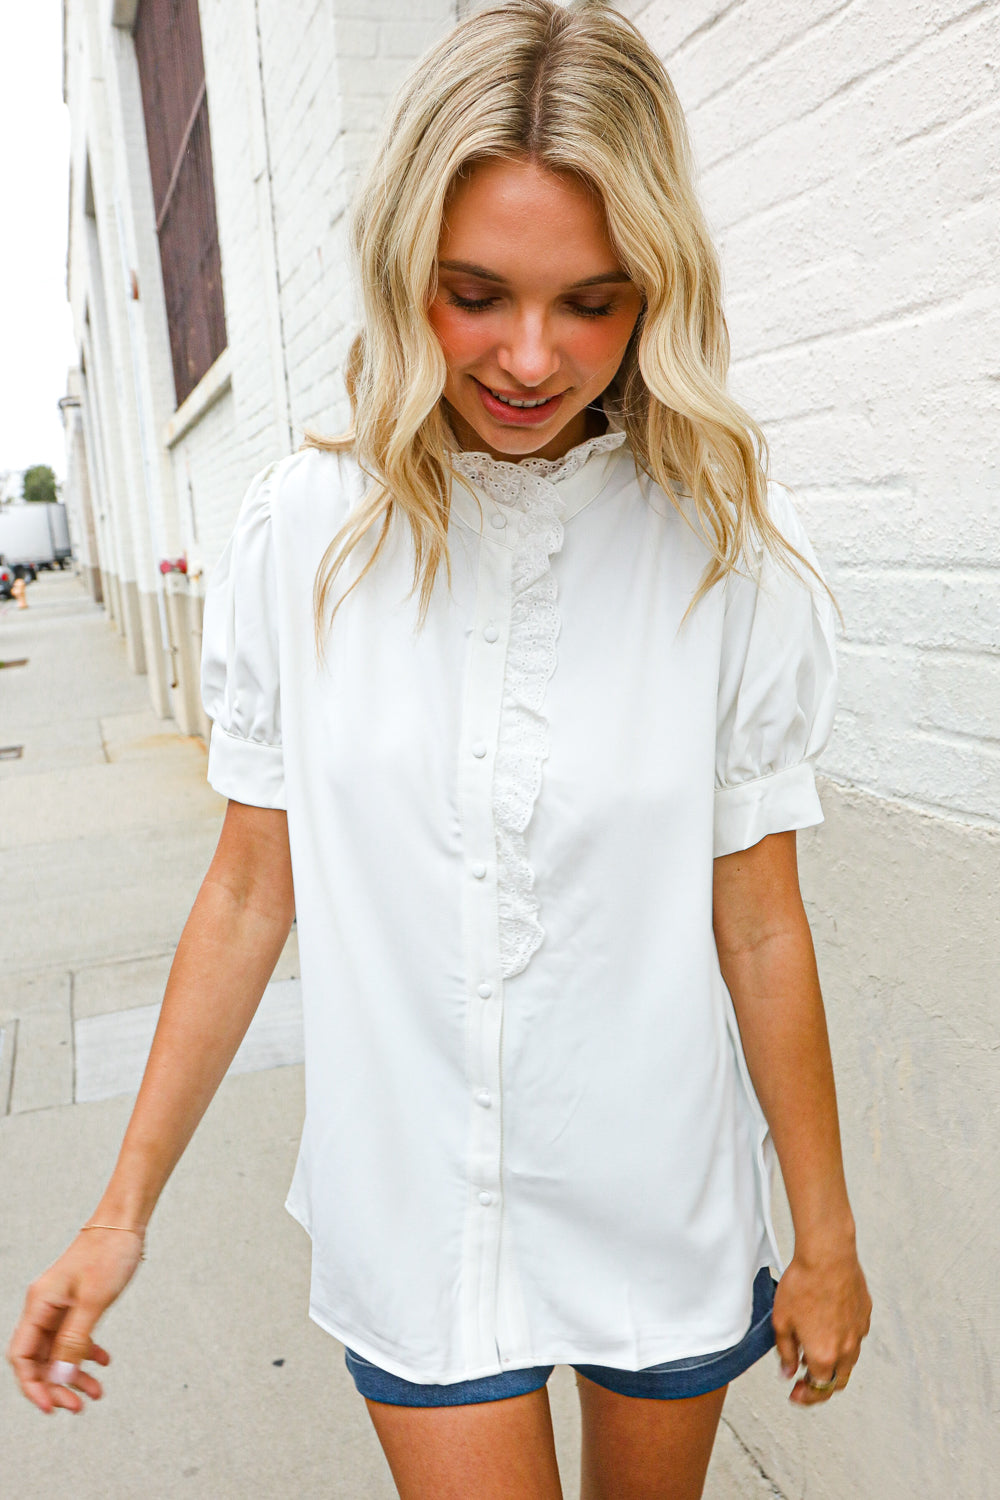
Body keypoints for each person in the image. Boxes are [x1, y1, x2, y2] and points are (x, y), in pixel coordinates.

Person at [7, 2, 872, 1495]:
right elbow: (245, 892)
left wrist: (828, 1236)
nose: (532, 356)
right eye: (478, 293)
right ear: (406, 264)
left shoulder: (732, 549)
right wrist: (120, 1208)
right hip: (412, 1205)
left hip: (660, 1196)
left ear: (655, 292)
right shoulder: (303, 538)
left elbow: (759, 916)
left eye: (592, 303)